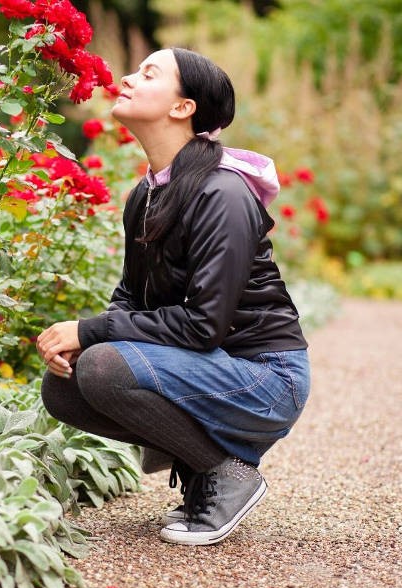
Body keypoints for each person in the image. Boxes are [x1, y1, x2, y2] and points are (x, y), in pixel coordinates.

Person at [36, 47, 310, 546]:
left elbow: (204, 326)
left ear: (183, 107)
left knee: (101, 365)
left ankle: (226, 477)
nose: (126, 77)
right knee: (66, 386)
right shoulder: (148, 194)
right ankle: (208, 469)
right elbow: (130, 296)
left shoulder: (222, 194)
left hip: (266, 377)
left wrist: (91, 332)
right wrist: (89, 337)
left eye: (148, 74)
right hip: (210, 366)